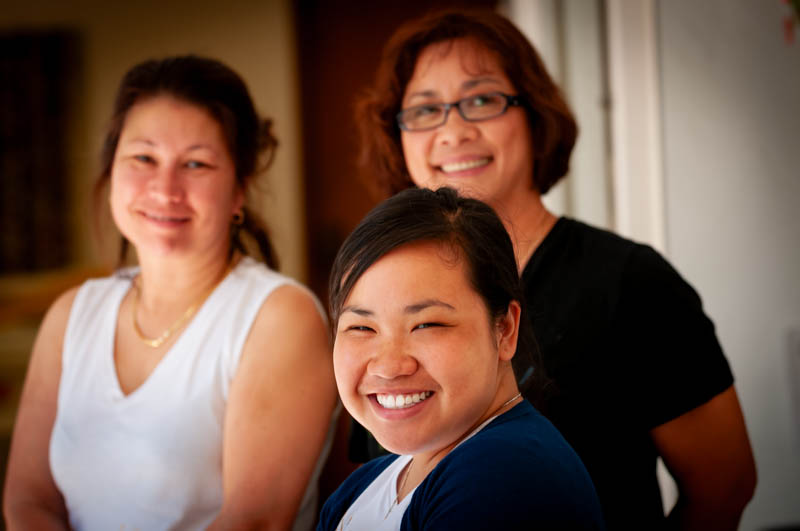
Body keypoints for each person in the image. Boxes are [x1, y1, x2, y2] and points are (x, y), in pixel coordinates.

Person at [352, 10, 757, 530]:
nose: (454, 131)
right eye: (426, 110)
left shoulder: (630, 282)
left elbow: (725, 486)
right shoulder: (381, 289)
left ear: (534, 115)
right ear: (397, 135)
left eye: (481, 99)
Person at [3, 55, 338, 530]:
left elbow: (253, 521)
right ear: (111, 170)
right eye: (143, 158)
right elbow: (28, 500)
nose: (165, 188)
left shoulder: (279, 316)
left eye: (196, 164)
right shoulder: (72, 313)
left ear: (239, 190)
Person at [320, 186, 603, 530]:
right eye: (361, 327)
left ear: (505, 329)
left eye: (427, 324)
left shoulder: (505, 475)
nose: (389, 366)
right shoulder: (361, 487)